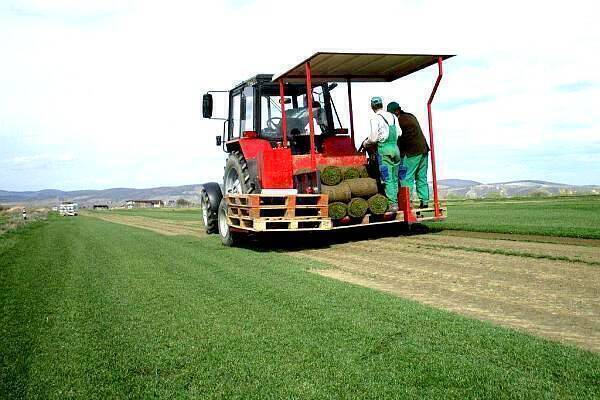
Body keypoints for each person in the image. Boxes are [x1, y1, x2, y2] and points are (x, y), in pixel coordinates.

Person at [387, 101, 430, 208]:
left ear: (396, 112)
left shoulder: (399, 121)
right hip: (423, 150)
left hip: (411, 153)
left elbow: (395, 138)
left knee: (406, 177)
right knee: (421, 177)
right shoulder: (410, 116)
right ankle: (424, 201)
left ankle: (406, 203)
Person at [362, 97, 401, 212]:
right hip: (395, 149)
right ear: (382, 105)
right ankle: (396, 201)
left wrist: (365, 143)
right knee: (394, 177)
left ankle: (393, 204)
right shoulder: (393, 116)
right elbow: (399, 133)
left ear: (372, 106)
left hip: (384, 150)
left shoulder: (375, 118)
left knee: (387, 177)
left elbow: (373, 138)